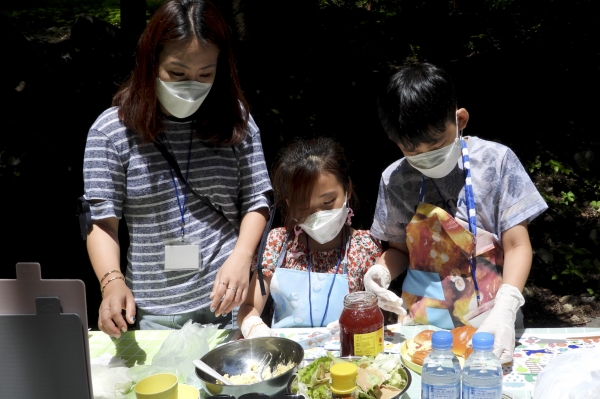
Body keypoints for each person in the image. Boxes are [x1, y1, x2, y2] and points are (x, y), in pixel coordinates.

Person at [82, 0, 271, 337]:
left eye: (205, 74)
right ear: (150, 62)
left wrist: (242, 256)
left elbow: (257, 199)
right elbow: (102, 222)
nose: (191, 85)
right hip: (151, 310)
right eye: (177, 73)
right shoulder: (111, 132)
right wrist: (111, 282)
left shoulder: (235, 120)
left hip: (229, 303)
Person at [371, 63, 548, 363]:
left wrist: (506, 309)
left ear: (460, 119)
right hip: (423, 328)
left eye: (437, 145)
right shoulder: (395, 179)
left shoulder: (496, 162)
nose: (426, 158)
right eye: (412, 152)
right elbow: (400, 250)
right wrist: (381, 271)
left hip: (493, 322)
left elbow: (517, 245)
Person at [237, 138, 406, 338]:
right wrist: (254, 328)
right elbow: (249, 306)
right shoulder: (278, 244)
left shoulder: (365, 246)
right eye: (303, 207)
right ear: (289, 204)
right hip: (288, 357)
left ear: (347, 190)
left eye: (328, 202)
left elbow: (398, 260)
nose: (317, 214)